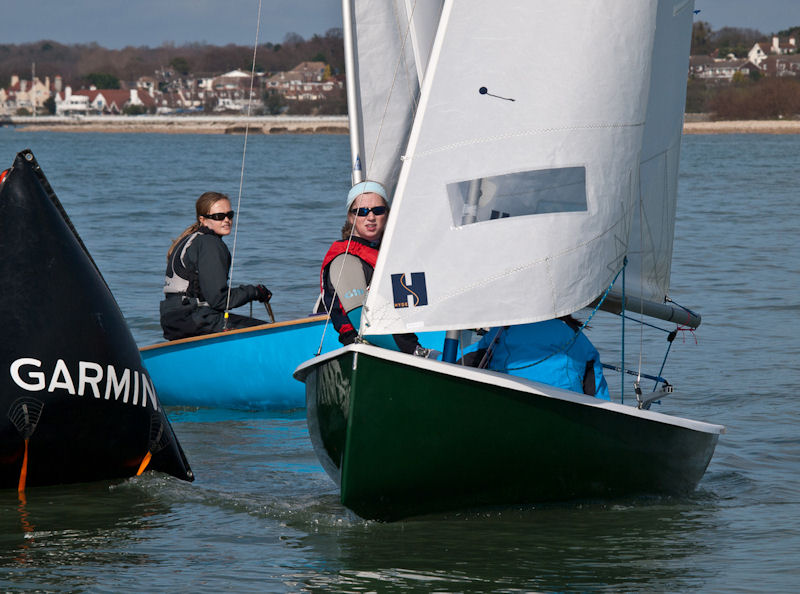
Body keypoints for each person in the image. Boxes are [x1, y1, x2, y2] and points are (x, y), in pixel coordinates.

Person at [320, 180, 427, 355]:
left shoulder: (387, 256)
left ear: (387, 214)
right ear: (350, 217)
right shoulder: (346, 261)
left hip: (403, 350)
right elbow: (362, 325)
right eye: (362, 212)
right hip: (368, 353)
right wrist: (416, 353)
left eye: (378, 210)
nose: (370, 217)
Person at [160, 191, 272, 340]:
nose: (226, 220)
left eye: (229, 215)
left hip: (172, 321)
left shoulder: (189, 240)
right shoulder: (210, 244)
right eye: (219, 216)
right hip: (195, 320)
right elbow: (219, 299)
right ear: (203, 219)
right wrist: (255, 292)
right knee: (267, 332)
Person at [466, 316, 610, 399]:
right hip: (565, 409)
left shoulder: (504, 330)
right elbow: (593, 378)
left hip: (509, 402)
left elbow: (467, 361)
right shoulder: (570, 332)